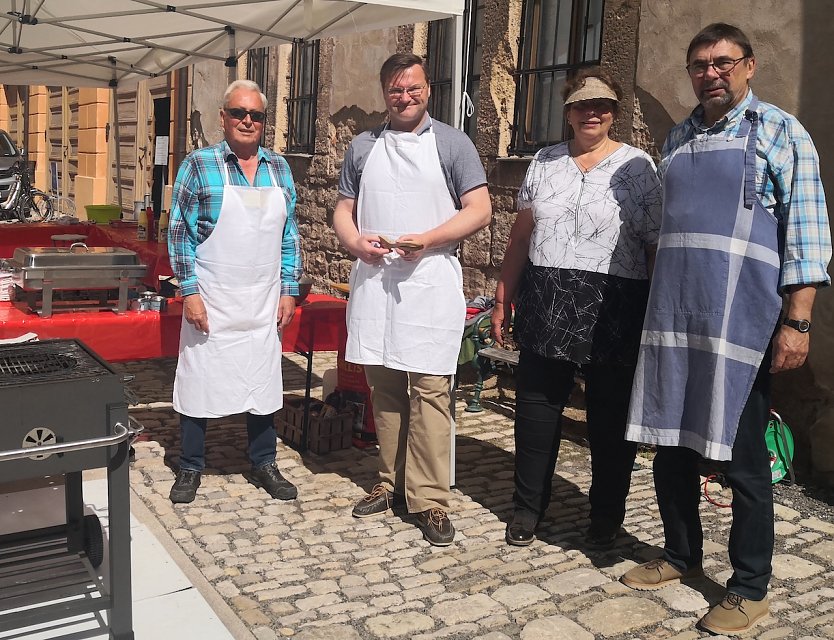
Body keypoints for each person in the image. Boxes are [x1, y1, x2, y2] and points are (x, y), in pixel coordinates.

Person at [621, 24, 831, 636]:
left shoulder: (781, 131)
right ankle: (681, 555)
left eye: (722, 62)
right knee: (673, 447)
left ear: (749, 67)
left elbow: (808, 234)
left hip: (742, 323)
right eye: (698, 65)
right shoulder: (679, 137)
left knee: (742, 462)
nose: (710, 73)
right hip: (675, 322)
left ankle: (748, 588)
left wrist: (799, 320)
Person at [491, 69, 662, 548]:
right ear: (567, 111)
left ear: (614, 112)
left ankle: (606, 516)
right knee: (536, 411)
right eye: (583, 104)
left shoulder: (638, 167)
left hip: (616, 304)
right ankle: (527, 508)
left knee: (610, 420)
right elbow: (521, 236)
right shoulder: (544, 162)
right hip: (547, 298)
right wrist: (505, 295)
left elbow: (653, 244)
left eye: (603, 104)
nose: (593, 112)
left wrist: (656, 309)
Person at [332, 53, 492, 546]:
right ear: (385, 93)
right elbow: (343, 210)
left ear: (429, 89)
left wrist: (431, 237)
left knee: (430, 394)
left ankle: (429, 499)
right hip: (377, 285)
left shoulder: (453, 143)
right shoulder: (362, 146)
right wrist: (354, 241)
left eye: (414, 88)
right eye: (396, 90)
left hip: (428, 285)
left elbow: (480, 209)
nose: (406, 97)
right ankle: (389, 480)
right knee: (385, 391)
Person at [167, 79, 302, 504]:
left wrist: (288, 288)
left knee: (262, 381)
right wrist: (189, 292)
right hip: (213, 298)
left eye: (256, 115)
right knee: (200, 380)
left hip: (262, 300)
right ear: (223, 117)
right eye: (239, 113)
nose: (248, 121)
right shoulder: (198, 164)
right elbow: (178, 233)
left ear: (264, 121)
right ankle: (190, 466)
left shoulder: (279, 168)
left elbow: (289, 234)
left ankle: (264, 462)